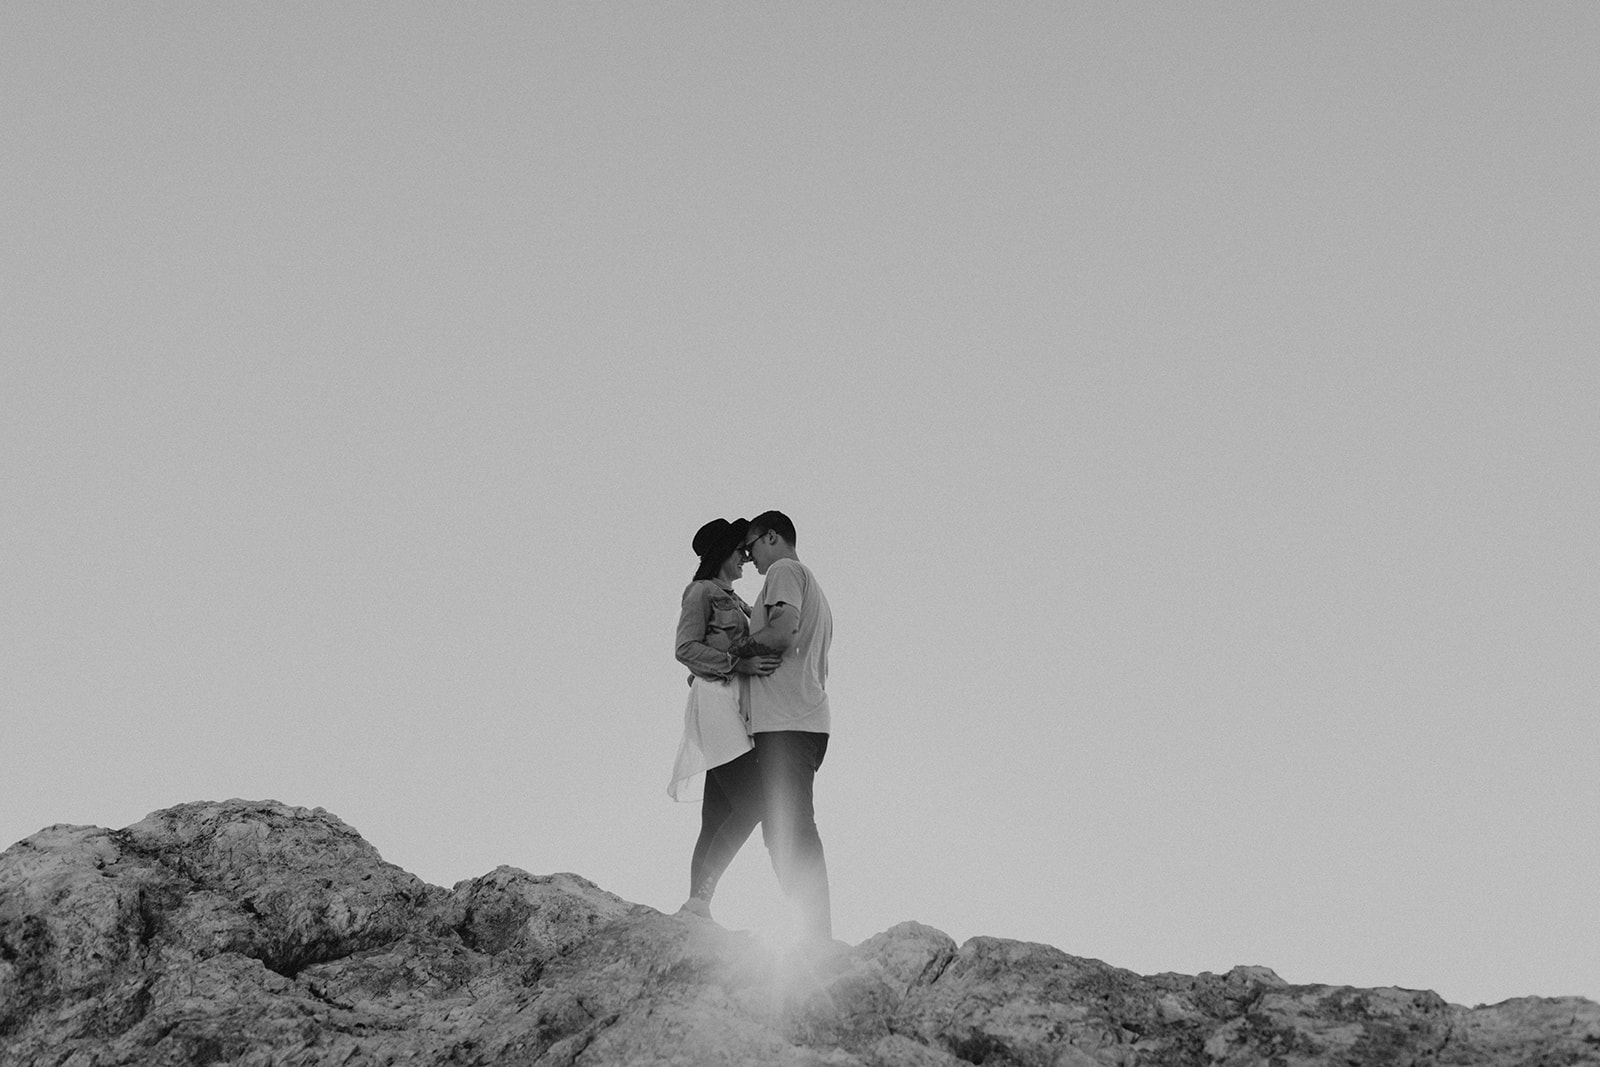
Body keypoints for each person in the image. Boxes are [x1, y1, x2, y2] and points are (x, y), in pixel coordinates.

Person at [669, 517, 780, 921]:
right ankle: (699, 898)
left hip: (733, 705)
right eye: (739, 551)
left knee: (716, 813)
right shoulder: (700, 592)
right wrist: (737, 664)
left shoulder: (738, 601)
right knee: (755, 801)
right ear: (722, 553)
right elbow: (685, 648)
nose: (746, 559)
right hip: (715, 703)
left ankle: (696, 909)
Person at [738, 510, 835, 941]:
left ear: (771, 537)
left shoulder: (783, 570)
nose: (748, 558)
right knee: (782, 831)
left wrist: (734, 655)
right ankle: (812, 932)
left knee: (791, 829)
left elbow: (782, 633)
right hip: (802, 721)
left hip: (788, 724)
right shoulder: (808, 583)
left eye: (750, 546)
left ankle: (816, 938)